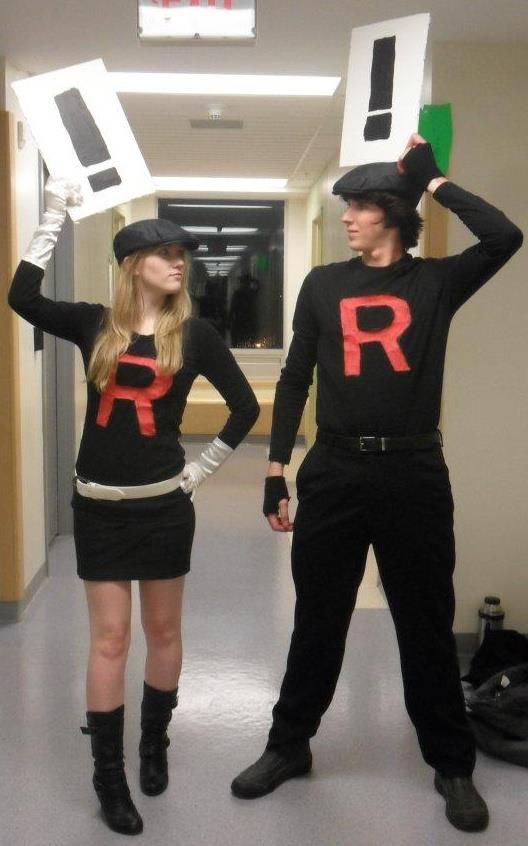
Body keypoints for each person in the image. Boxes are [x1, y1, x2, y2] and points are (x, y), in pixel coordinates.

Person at [230, 135, 523, 833]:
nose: (348, 219)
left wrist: (438, 180)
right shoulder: (323, 284)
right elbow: (296, 375)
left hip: (413, 472)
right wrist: (275, 471)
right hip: (333, 469)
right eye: (346, 209)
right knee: (318, 618)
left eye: (360, 207)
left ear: (393, 212)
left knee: (424, 623)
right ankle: (288, 745)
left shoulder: (437, 284)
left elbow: (506, 235)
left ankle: (452, 764)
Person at [8, 178, 259, 836]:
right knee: (111, 639)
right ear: (132, 265)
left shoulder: (196, 334)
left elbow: (246, 408)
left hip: (164, 510)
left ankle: (154, 746)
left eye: (182, 254)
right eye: (164, 253)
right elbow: (21, 296)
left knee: (166, 634)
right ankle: (108, 779)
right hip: (98, 509)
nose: (178, 262)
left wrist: (198, 473)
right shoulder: (94, 323)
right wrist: (55, 215)